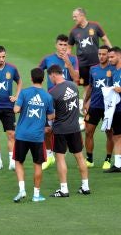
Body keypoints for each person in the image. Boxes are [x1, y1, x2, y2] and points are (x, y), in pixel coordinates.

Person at [47, 65, 90, 197]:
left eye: (50, 77)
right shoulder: (73, 86)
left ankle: (64, 189)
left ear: (53, 75)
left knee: (60, 158)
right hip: (75, 128)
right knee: (79, 156)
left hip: (60, 130)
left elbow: (51, 116)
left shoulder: (52, 93)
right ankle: (85, 187)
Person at [13, 68, 55, 203]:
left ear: (31, 79)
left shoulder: (24, 93)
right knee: (37, 164)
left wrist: (18, 103)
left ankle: (22, 190)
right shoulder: (48, 96)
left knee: (19, 162)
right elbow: (50, 116)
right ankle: (36, 195)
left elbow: (16, 109)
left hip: (21, 135)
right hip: (37, 136)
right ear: (43, 79)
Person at [38, 34, 79, 170]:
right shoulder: (48, 59)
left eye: (65, 45)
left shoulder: (73, 59)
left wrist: (68, 63)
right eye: (60, 45)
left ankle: (67, 153)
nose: (63, 47)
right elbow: (38, 72)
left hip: (67, 99)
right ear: (56, 45)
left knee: (68, 128)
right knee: (47, 129)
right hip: (52, 98)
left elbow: (76, 78)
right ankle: (50, 155)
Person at [83, 46, 114, 169]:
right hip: (94, 106)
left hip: (108, 107)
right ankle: (89, 159)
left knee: (109, 133)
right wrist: (86, 101)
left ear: (108, 55)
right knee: (88, 132)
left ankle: (108, 159)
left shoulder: (114, 69)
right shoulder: (93, 69)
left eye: (104, 54)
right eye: (99, 54)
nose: (101, 56)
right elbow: (91, 86)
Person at [68, 7, 112, 87]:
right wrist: (68, 62)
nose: (74, 19)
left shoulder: (95, 26)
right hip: (82, 65)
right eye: (73, 17)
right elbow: (69, 48)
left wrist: (112, 53)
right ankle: (88, 100)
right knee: (86, 85)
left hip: (97, 62)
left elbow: (105, 39)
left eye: (75, 16)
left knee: (98, 84)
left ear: (82, 15)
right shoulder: (73, 31)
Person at [104, 46, 121, 173]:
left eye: (112, 57)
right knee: (117, 136)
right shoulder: (114, 72)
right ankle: (118, 164)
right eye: (109, 57)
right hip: (117, 108)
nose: (109, 59)